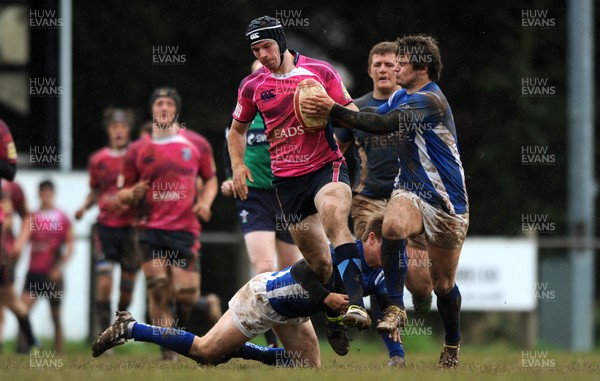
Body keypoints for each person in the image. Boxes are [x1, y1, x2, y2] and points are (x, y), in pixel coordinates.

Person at [302, 34, 469, 368]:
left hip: (447, 204)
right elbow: (364, 116)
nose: (395, 68)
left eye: (402, 63)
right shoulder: (402, 97)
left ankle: (452, 343)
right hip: (407, 191)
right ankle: (393, 308)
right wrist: (311, 116)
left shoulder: (428, 100)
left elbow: (380, 124)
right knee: (391, 225)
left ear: (421, 67)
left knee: (442, 285)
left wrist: (330, 108)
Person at [91, 216, 404, 367]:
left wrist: (394, 338)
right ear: (373, 239)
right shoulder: (344, 253)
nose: (393, 259)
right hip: (264, 299)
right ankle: (130, 327)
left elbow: (386, 304)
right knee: (205, 352)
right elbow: (299, 271)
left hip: (292, 312)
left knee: (308, 367)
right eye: (390, 250)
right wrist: (327, 300)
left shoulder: (375, 271)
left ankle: (242, 349)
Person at [228, 15, 370, 330]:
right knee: (318, 263)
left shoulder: (320, 71)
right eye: (255, 50)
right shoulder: (253, 86)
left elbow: (354, 118)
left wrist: (331, 111)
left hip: (325, 167)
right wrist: (238, 167)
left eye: (266, 46)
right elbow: (235, 132)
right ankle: (334, 316)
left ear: (280, 41)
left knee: (335, 220)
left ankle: (358, 305)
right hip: (287, 183)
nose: (263, 55)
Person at [118, 87, 218, 360]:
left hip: (184, 230)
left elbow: (210, 179)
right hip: (150, 229)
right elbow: (122, 194)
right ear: (152, 110)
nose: (163, 108)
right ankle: (168, 349)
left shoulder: (196, 144)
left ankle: (203, 304)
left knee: (184, 294)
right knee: (158, 287)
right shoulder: (137, 150)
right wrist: (132, 193)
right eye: (159, 103)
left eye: (168, 104)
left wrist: (205, 203)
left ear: (176, 110)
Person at [335, 41, 433, 319]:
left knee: (420, 282)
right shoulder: (356, 108)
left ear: (400, 69)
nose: (384, 69)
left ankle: (422, 297)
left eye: (390, 64)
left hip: (412, 198)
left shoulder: (416, 102)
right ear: (369, 70)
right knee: (378, 270)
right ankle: (393, 349)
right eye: (377, 64)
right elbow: (334, 152)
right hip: (368, 200)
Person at [222, 59, 303, 347]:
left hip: (288, 195)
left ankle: (302, 340)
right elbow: (231, 149)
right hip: (254, 197)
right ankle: (270, 341)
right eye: (256, 72)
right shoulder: (241, 117)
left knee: (296, 277)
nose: (262, 77)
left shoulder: (289, 112)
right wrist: (229, 177)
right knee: (264, 269)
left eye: (267, 72)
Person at [75, 108, 141, 335]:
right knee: (104, 284)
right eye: (115, 127)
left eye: (122, 127)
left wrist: (130, 200)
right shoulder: (98, 160)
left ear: (128, 129)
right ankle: (105, 334)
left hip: (132, 230)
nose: (119, 131)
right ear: (109, 130)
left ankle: (119, 322)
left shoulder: (137, 156)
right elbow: (95, 191)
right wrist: (84, 207)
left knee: (127, 291)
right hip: (105, 228)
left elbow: (144, 187)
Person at [21, 180, 74, 353]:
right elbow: (23, 240)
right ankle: (22, 348)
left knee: (55, 316)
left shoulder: (62, 217)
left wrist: (59, 267)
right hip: (34, 271)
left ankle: (59, 351)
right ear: (38, 194)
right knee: (22, 311)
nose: (46, 195)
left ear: (53, 193)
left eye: (49, 192)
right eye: (43, 192)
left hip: (53, 273)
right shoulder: (32, 217)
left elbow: (70, 246)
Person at [0, 120, 37, 353]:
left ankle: (31, 340)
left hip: (6, 248)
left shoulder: (13, 188)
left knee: (9, 299)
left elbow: (26, 217)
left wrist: (21, 241)